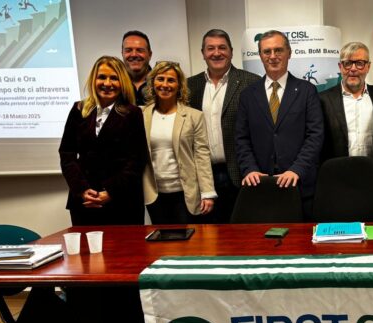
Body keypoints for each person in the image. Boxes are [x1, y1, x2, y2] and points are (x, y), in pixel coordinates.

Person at [235, 30, 324, 217]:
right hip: (260, 185)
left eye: (278, 50)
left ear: (289, 53)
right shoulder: (248, 95)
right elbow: (241, 138)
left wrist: (296, 170)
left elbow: (315, 136)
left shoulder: (307, 91)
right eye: (267, 51)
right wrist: (250, 169)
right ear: (260, 56)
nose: (273, 56)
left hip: (299, 185)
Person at [59, 56, 148, 226]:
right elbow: (66, 154)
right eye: (102, 77)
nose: (107, 83)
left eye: (114, 78)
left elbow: (137, 160)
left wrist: (110, 192)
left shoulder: (133, 113)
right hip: (84, 201)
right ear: (94, 80)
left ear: (122, 82)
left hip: (122, 201)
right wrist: (82, 189)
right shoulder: (78, 109)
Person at [187, 29, 259, 223]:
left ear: (231, 51)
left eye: (222, 48)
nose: (216, 53)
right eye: (210, 48)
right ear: (203, 53)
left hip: (240, 174)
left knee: (242, 232)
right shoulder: (189, 86)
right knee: (208, 234)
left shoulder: (251, 82)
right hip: (203, 177)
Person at [142, 61, 217, 224]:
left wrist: (207, 192)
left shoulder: (194, 116)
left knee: (188, 238)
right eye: (160, 79)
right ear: (153, 83)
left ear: (179, 85)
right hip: (154, 195)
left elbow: (202, 156)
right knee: (160, 239)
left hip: (185, 194)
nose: (165, 85)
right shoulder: (142, 114)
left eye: (171, 80)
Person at [319, 41, 373, 162]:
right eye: (347, 63)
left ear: (368, 67)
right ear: (340, 67)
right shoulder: (323, 100)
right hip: (337, 170)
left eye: (359, 63)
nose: (353, 69)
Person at [121, 31, 153, 105]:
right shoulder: (114, 86)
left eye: (140, 50)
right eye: (128, 50)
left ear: (150, 54)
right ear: (122, 54)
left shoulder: (162, 84)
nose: (134, 55)